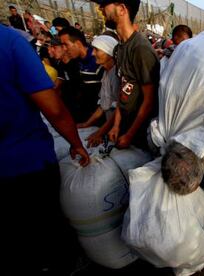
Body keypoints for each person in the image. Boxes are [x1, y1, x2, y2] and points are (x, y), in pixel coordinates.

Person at [0, 24, 89, 274]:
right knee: (49, 228)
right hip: (28, 162)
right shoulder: (10, 42)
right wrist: (76, 144)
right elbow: (54, 109)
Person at [88, 0, 160, 150]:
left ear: (121, 9)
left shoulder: (140, 49)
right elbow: (123, 92)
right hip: (125, 127)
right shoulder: (119, 49)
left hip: (140, 132)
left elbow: (149, 101)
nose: (101, 8)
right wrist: (115, 126)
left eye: (105, 4)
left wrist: (130, 134)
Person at [59, 26, 105, 123]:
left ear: (78, 44)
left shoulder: (98, 61)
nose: (64, 49)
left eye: (66, 45)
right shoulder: (76, 61)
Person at [78, 34, 120, 128]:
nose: (92, 53)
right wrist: (86, 124)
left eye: (97, 50)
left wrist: (101, 132)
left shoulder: (118, 75)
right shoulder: (106, 73)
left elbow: (120, 109)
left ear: (109, 53)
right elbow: (103, 105)